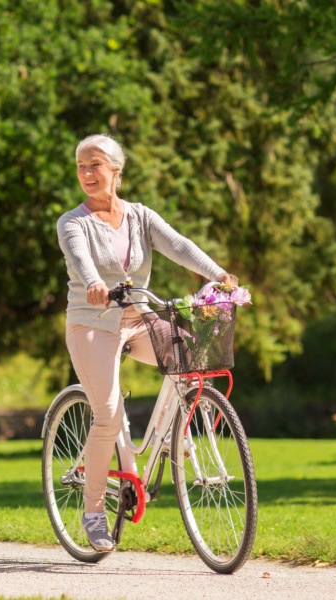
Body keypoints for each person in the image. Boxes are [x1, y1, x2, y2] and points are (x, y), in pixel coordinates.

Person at [56, 134, 237, 552]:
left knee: (190, 358)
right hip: (92, 323)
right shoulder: (72, 222)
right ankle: (94, 514)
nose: (86, 173)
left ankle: (169, 436)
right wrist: (95, 284)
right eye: (81, 166)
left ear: (116, 171)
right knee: (106, 416)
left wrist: (217, 274)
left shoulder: (140, 216)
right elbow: (80, 259)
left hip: (138, 319)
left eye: (94, 165)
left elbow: (178, 246)